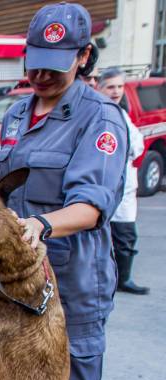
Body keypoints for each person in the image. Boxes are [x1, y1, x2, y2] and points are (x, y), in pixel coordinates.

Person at [0, 2, 128, 380]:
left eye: (55, 63)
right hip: (19, 290)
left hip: (72, 292)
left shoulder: (100, 117)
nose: (41, 74)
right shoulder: (19, 111)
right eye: (34, 61)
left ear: (84, 56)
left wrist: (42, 224)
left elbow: (92, 205)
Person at [99, 67, 149, 294]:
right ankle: (109, 279)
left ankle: (122, 278)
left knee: (125, 235)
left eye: (119, 86)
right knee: (104, 237)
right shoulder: (101, 115)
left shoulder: (122, 114)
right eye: (110, 86)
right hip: (106, 185)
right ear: (100, 88)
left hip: (125, 186)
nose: (116, 91)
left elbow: (136, 146)